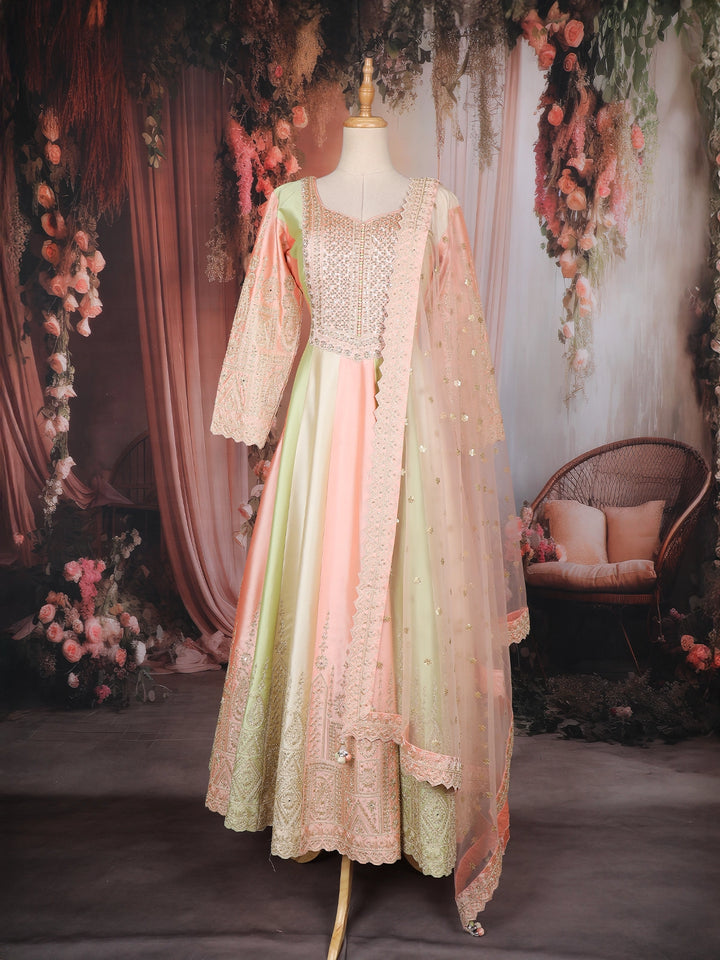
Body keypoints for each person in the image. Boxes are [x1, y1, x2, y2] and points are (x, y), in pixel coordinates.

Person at [206, 66, 528, 935]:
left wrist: (460, 443)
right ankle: (323, 802)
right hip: (320, 438)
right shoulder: (289, 208)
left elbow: (459, 355)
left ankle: (405, 813)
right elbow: (268, 327)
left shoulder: (437, 212)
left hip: (407, 440)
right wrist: (252, 410)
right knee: (322, 596)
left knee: (404, 609)